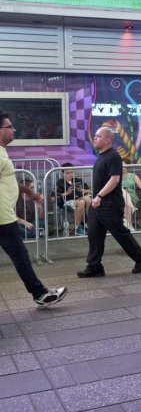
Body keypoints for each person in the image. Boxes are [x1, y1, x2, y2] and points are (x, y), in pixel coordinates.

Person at [0, 111, 67, 308]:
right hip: (3, 218)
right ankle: (40, 294)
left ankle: (40, 293)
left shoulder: (2, 151)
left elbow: (9, 180)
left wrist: (30, 193)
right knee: (20, 255)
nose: (14, 129)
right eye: (9, 126)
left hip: (5, 217)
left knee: (20, 255)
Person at [77, 127, 141, 278]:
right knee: (94, 235)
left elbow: (114, 180)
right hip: (98, 204)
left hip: (109, 204)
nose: (95, 138)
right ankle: (94, 267)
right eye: (95, 135)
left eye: (98, 136)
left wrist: (98, 196)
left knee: (120, 234)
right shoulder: (102, 156)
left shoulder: (113, 157)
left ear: (107, 140)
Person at [51, 163, 92, 236]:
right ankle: (77, 228)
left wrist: (82, 190)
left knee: (87, 198)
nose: (70, 174)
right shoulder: (60, 183)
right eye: (68, 173)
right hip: (67, 201)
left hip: (80, 199)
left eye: (72, 172)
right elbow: (52, 198)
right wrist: (67, 193)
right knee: (81, 202)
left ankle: (88, 223)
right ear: (63, 173)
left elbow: (90, 191)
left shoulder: (78, 180)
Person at [121, 158, 141, 231]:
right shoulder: (115, 176)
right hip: (118, 196)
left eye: (123, 166)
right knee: (122, 194)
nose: (121, 167)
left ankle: (129, 224)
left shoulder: (132, 175)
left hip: (131, 196)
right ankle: (130, 225)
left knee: (124, 201)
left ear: (127, 168)